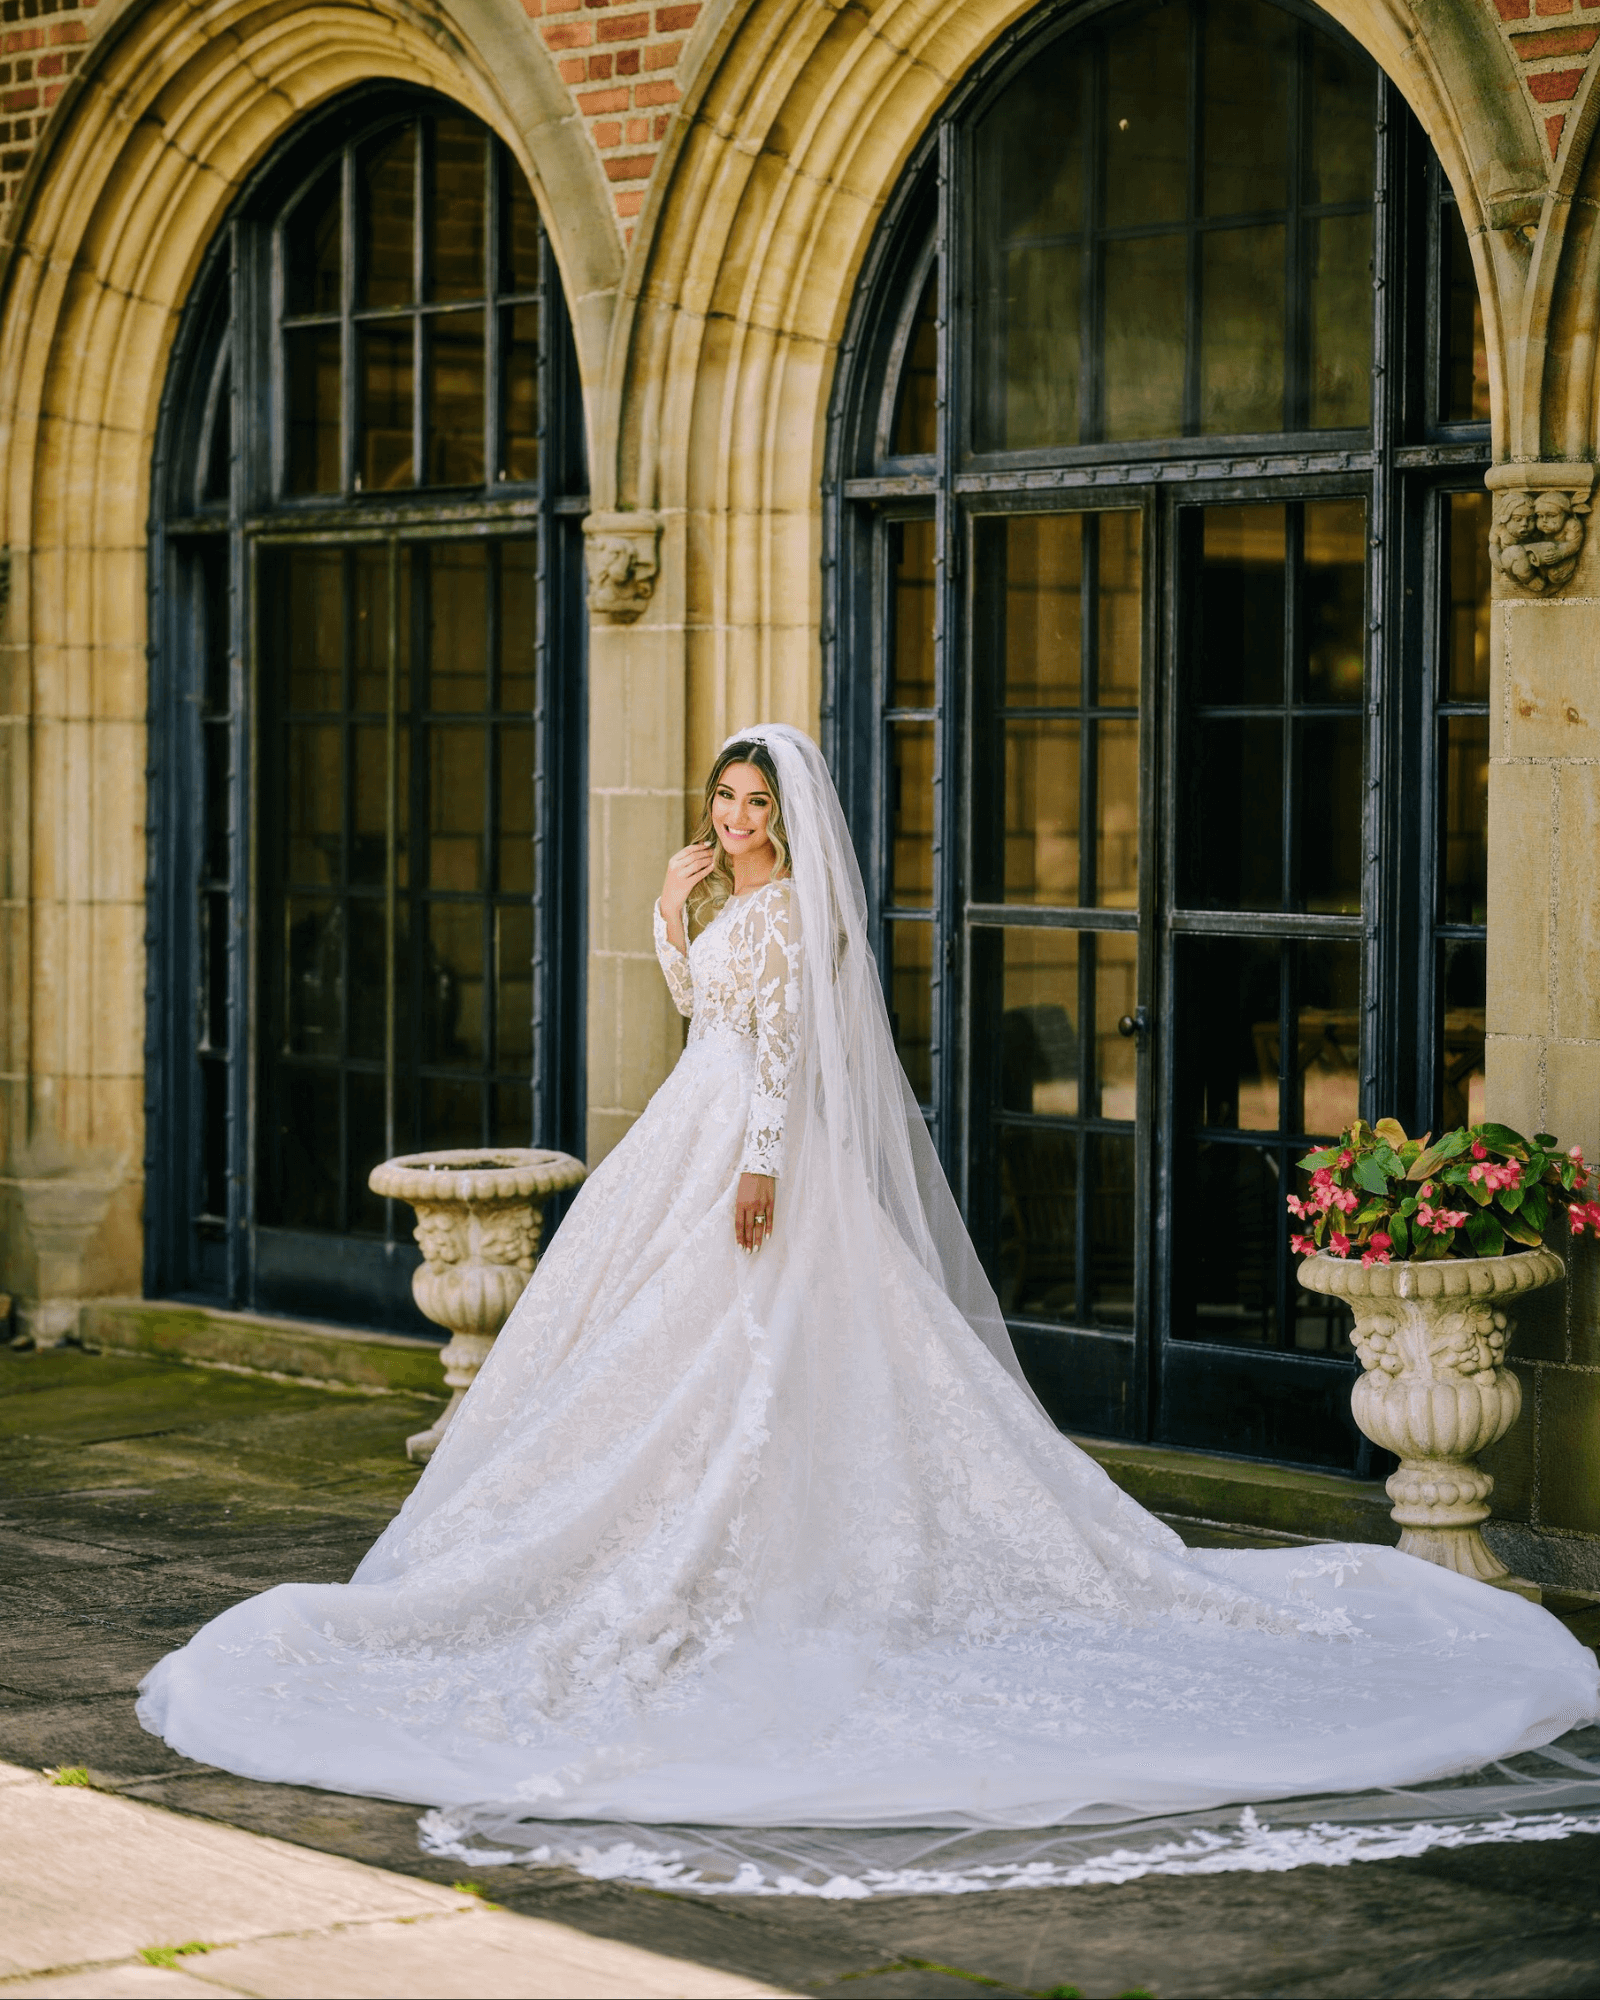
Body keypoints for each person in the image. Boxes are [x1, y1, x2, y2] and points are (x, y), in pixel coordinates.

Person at [138, 725, 1598, 1838]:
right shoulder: (727, 904)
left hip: (748, 1150)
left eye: (755, 806)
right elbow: (697, 1006)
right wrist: (667, 899)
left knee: (753, 1351)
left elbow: (778, 1057)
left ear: (790, 816)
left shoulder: (792, 917)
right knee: (656, 1356)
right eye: (725, 801)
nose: (736, 820)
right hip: (696, 1128)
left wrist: (762, 1165)